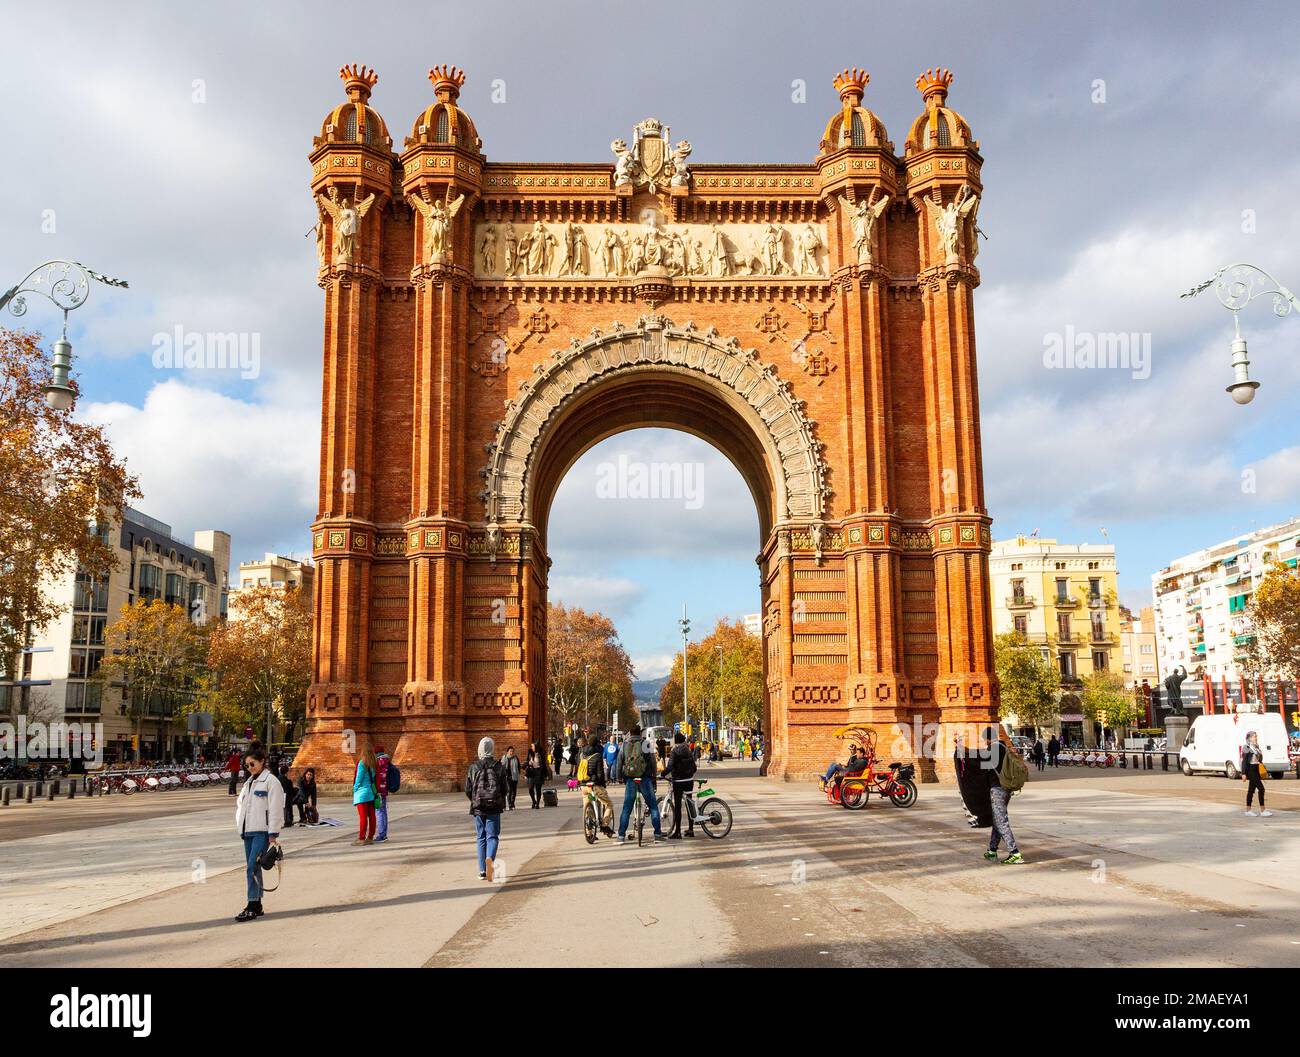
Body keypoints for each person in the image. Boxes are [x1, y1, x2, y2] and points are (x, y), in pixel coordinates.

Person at [233, 747, 284, 922]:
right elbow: (241, 807)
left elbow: (276, 808)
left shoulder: (271, 781)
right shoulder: (249, 783)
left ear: (262, 761)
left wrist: (273, 832)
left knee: (252, 867)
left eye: (252, 764)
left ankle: (252, 904)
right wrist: (240, 827)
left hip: (262, 832)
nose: (250, 768)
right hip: (247, 832)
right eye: (246, 765)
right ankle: (257, 904)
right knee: (253, 868)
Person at [465, 736, 508, 880]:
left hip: (478, 808)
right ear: (492, 748)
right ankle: (490, 859)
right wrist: (499, 799)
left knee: (481, 837)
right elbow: (505, 788)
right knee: (493, 836)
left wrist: (475, 800)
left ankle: (482, 871)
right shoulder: (498, 766)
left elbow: (468, 789)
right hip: (494, 807)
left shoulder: (473, 767)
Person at [982, 726, 1023, 864]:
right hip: (1006, 788)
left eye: (985, 739)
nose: (985, 742)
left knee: (1001, 821)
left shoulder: (992, 749)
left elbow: (984, 767)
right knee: (997, 819)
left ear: (987, 738)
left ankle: (1014, 853)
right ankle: (992, 850)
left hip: (997, 789)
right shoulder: (1003, 747)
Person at [616, 724, 665, 843]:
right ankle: (657, 834)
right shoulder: (645, 743)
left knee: (626, 808)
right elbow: (653, 760)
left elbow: (619, 762)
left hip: (630, 779)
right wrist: (653, 774)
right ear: (640, 733)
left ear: (630, 733)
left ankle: (621, 836)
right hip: (645, 778)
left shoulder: (625, 745)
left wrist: (619, 778)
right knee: (653, 806)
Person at [578, 736, 616, 837]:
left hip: (583, 785)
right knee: (608, 804)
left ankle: (589, 833)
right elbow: (600, 774)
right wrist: (603, 784)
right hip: (594, 786)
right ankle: (604, 825)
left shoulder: (581, 754)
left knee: (588, 805)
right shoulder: (597, 755)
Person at [663, 732, 698, 839]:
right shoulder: (688, 750)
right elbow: (694, 767)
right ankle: (691, 829)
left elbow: (670, 766)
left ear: (675, 740)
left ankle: (677, 831)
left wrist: (662, 774)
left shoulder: (674, 751)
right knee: (689, 803)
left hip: (678, 781)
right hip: (689, 780)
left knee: (678, 806)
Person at [1241, 730, 1272, 817]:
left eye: (1256, 736)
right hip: (1250, 770)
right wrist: (1243, 773)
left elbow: (1260, 758)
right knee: (1261, 789)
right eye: (1255, 736)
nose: (1256, 737)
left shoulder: (1256, 746)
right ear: (1250, 738)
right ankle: (1262, 810)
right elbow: (1244, 761)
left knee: (1251, 790)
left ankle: (1248, 810)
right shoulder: (1246, 747)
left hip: (1256, 769)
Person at [352, 746, 378, 846]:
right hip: (371, 793)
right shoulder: (373, 763)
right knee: (372, 816)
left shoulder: (362, 763)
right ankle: (370, 837)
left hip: (362, 794)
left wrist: (354, 789)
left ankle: (361, 838)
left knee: (363, 817)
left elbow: (359, 778)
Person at [374, 745, 392, 841]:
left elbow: (377, 776)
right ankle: (384, 833)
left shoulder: (378, 762)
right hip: (384, 790)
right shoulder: (387, 761)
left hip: (379, 790)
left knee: (379, 812)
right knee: (383, 812)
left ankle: (381, 834)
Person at [525, 741, 549, 808]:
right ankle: (533, 801)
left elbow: (544, 764)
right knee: (530, 788)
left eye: (532, 746)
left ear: (536, 746)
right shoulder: (530, 752)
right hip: (531, 772)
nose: (531, 747)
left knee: (538, 789)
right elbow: (527, 760)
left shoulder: (541, 753)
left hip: (539, 772)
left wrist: (546, 774)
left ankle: (537, 803)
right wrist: (528, 763)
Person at [277, 762, 296, 828]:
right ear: (286, 772)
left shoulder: (277, 779)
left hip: (279, 796)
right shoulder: (288, 781)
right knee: (287, 808)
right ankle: (288, 821)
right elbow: (291, 790)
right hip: (286, 796)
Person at [501, 746, 521, 811]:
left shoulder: (516, 758)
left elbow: (518, 767)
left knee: (514, 791)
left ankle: (513, 804)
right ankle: (509, 804)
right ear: (507, 752)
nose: (511, 752)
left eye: (512, 751)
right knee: (509, 790)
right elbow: (502, 767)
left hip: (514, 777)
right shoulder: (504, 758)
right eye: (510, 751)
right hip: (507, 777)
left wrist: (518, 774)